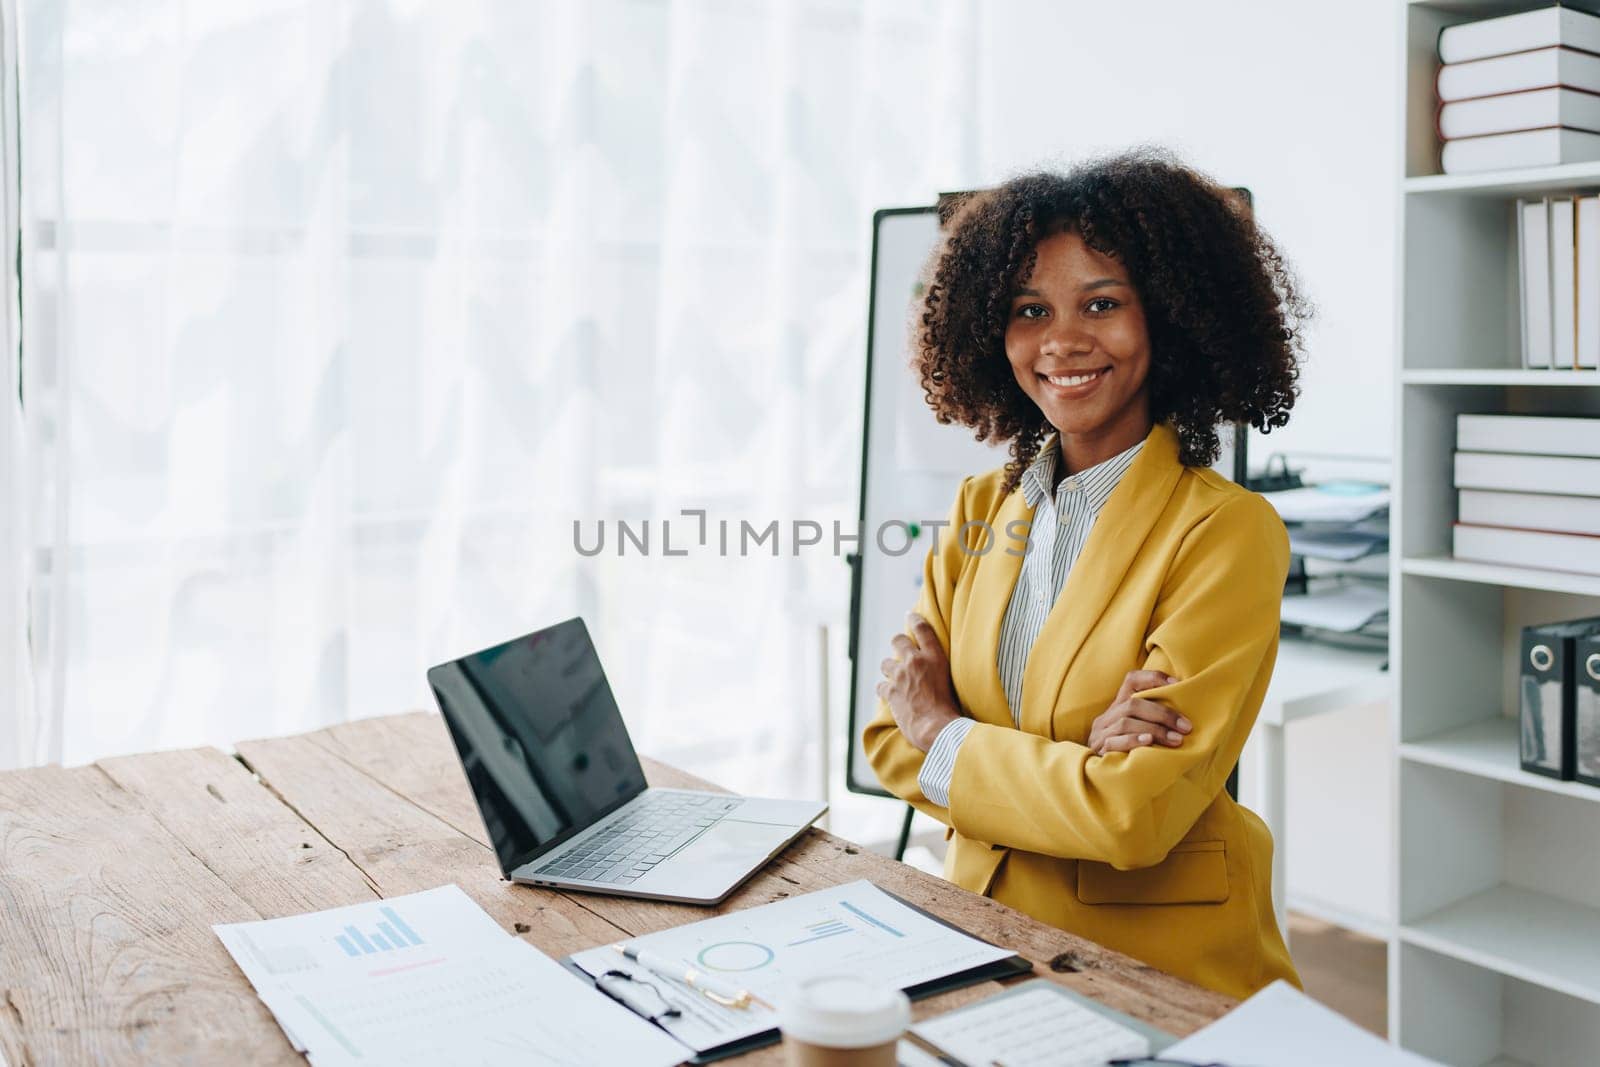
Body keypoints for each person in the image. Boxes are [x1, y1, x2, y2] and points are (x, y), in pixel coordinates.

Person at [862, 150, 1307, 999]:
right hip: (983, 939)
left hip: (1160, 969)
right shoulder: (979, 508)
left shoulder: (1226, 533)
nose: (1062, 341)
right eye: (1031, 310)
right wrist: (1075, 765)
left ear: (1167, 321)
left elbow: (1133, 816)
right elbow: (887, 736)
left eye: (1101, 303)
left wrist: (946, 730)